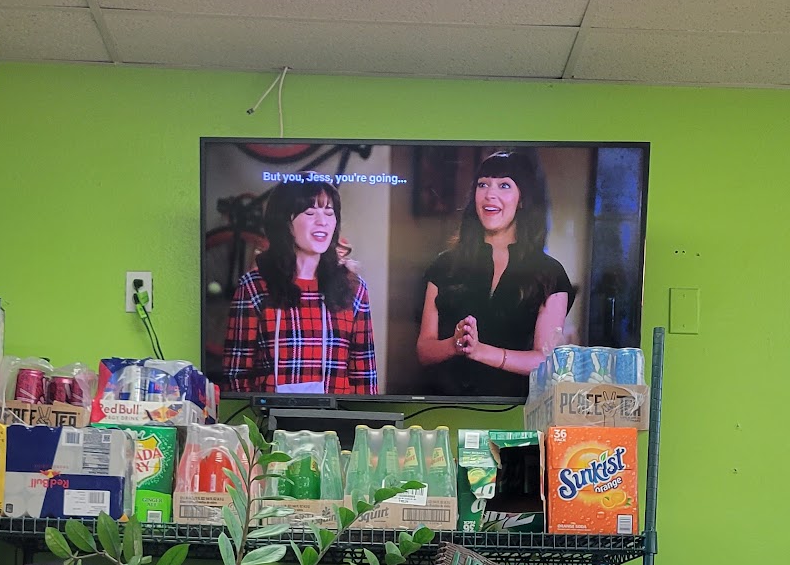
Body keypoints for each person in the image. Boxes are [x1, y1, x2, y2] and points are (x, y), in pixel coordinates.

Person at [416, 149, 571, 397]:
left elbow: (546, 361)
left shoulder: (550, 273)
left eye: (504, 185)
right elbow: (424, 350)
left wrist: (481, 352)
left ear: (522, 199)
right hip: (444, 404)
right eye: (483, 184)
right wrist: (455, 345)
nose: (490, 194)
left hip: (514, 411)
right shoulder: (444, 265)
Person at [222, 179, 378, 394]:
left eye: (329, 213)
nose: (322, 222)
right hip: (270, 414)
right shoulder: (254, 286)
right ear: (285, 222)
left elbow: (365, 376)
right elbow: (236, 374)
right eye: (310, 213)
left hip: (337, 414)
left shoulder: (354, 288)